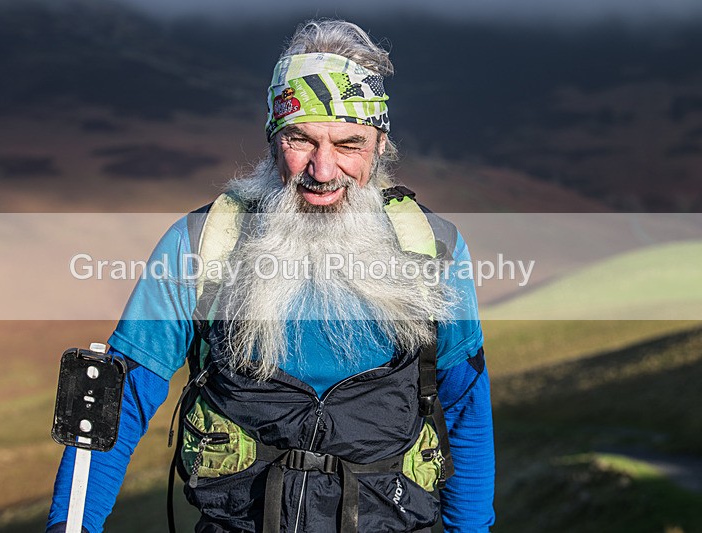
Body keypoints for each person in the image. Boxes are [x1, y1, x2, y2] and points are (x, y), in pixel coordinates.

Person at [46, 19, 494, 533]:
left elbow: (464, 408)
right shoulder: (201, 245)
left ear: (379, 146)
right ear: (272, 139)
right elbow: (115, 404)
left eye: (348, 144)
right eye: (300, 140)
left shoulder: (432, 251)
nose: (323, 170)